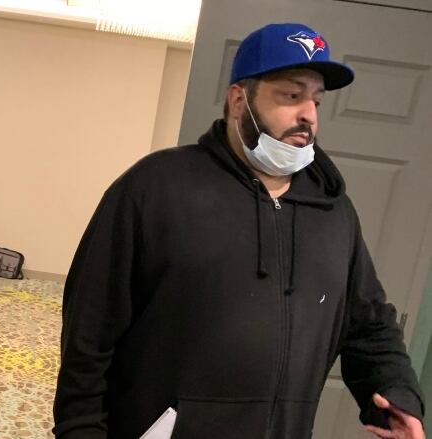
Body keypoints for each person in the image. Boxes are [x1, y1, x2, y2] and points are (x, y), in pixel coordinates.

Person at [53, 23, 425, 439]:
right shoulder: (155, 188)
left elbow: (369, 323)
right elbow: (89, 334)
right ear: (238, 100)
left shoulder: (333, 210)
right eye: (291, 95)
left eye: (316, 100)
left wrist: (396, 394)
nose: (309, 115)